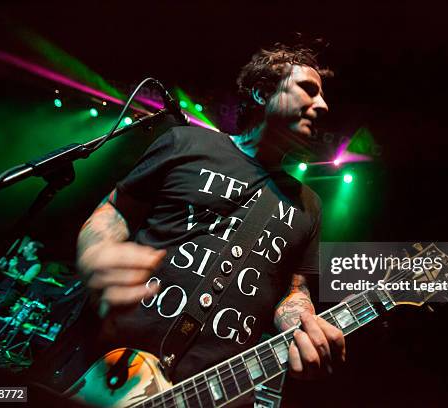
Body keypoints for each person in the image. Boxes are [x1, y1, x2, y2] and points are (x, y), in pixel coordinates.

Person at [50, 42, 345, 397]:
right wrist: (96, 251)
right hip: (104, 370)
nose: (323, 105)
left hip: (210, 390)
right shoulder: (186, 143)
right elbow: (114, 212)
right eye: (308, 90)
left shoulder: (308, 203)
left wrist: (302, 325)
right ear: (261, 91)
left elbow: (294, 290)